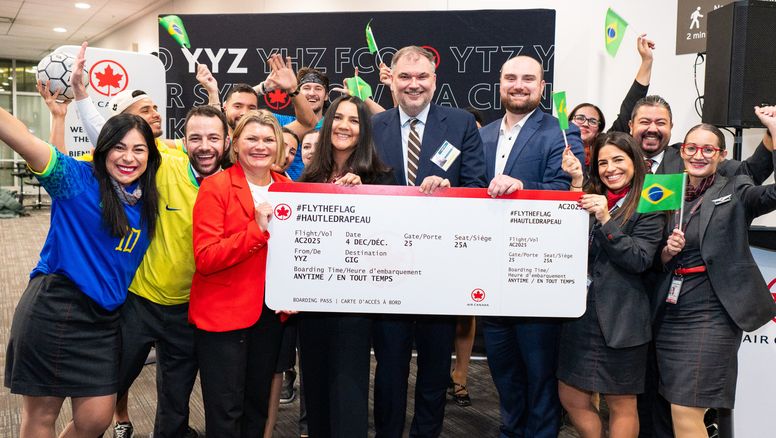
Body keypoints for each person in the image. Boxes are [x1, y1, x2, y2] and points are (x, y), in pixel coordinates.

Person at [2, 106, 161, 438]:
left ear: (150, 156)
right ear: (103, 149)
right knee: (41, 415)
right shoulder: (77, 179)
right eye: (119, 147)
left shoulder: (145, 200)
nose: (128, 157)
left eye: (138, 149)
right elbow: (18, 135)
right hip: (55, 308)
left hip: (104, 321)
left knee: (95, 420)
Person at [629, 94, 774, 438]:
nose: (699, 155)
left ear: (722, 156)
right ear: (682, 151)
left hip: (714, 312)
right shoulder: (667, 191)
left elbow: (763, 194)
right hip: (671, 312)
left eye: (709, 150)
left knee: (686, 405)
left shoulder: (735, 186)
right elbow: (655, 255)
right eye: (692, 148)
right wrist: (667, 251)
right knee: (673, 402)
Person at [371, 45, 487, 438]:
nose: (414, 84)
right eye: (405, 77)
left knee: (436, 368)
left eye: (422, 77)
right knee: (388, 368)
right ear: (391, 81)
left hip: (440, 271)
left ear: (435, 81)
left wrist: (451, 190)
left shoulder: (460, 124)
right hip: (387, 268)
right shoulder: (374, 127)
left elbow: (477, 187)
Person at [477, 54, 584, 438]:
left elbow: (565, 194)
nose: (518, 84)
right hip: (490, 275)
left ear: (542, 87)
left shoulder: (561, 133)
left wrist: (524, 191)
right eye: (510, 78)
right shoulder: (482, 135)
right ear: (500, 84)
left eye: (528, 78)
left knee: (540, 377)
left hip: (536, 275)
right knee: (503, 372)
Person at [297, 95, 395, 437]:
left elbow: (389, 239)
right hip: (311, 302)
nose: (344, 126)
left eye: (354, 120)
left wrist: (362, 193)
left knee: (348, 389)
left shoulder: (381, 178)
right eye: (339, 118)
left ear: (363, 129)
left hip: (355, 304)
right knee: (316, 387)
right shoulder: (308, 178)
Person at [558, 132, 666, 438]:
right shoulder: (592, 194)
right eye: (603, 162)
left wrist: (606, 219)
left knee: (621, 402)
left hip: (622, 319)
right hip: (579, 316)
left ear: (635, 162)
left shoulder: (649, 204)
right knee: (571, 395)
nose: (610, 168)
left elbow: (639, 259)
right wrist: (577, 183)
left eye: (618, 160)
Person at [190, 109, 290, 437]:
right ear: (235, 144)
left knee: (257, 406)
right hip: (223, 317)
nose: (259, 146)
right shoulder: (216, 186)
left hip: (270, 315)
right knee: (225, 411)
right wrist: (255, 230)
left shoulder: (287, 186)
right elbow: (206, 258)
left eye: (267, 139)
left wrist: (294, 292)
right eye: (251, 138)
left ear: (278, 145)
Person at [569, 34, 655, 166]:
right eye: (580, 118)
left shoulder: (605, 147)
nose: (585, 124)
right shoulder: (554, 145)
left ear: (599, 130)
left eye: (592, 121)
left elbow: (630, 106)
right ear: (568, 121)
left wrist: (646, 61)